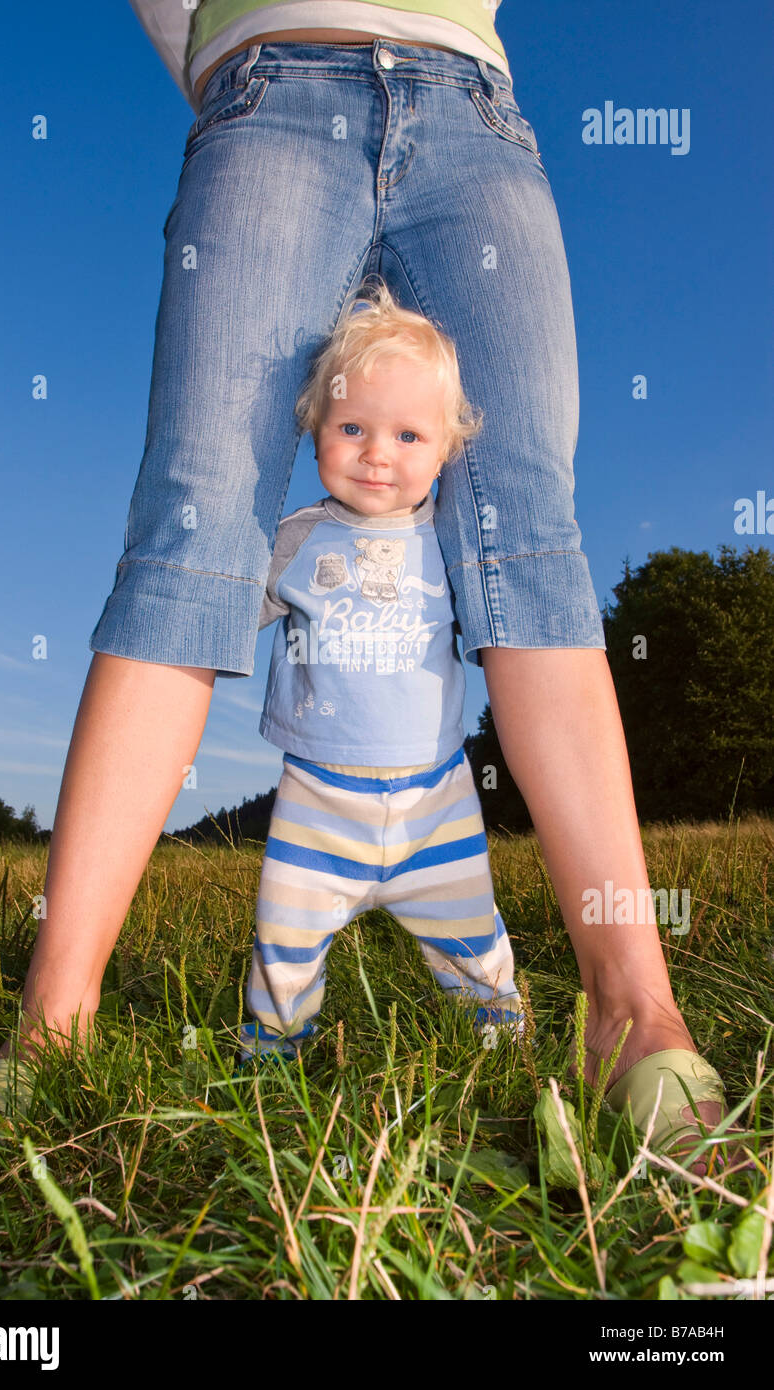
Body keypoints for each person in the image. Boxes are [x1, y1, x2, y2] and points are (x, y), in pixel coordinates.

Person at [0, 2, 739, 1190]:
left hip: (474, 109)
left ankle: (634, 1016)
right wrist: (221, 52)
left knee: (529, 527)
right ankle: (51, 1025)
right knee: (193, 522)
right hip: (266, 94)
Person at [238, 281, 522, 1065]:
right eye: (353, 427)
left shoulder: (454, 545)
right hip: (318, 797)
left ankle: (500, 1052)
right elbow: (224, 613)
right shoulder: (298, 540)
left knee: (471, 930)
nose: (376, 453)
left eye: (407, 435)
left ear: (445, 450)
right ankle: (273, 1061)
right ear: (316, 428)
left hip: (437, 793)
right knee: (285, 938)